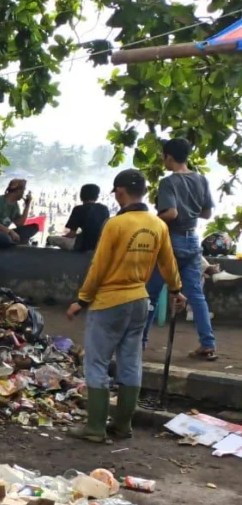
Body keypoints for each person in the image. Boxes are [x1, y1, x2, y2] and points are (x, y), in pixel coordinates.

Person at [66, 169, 184, 443]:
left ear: (120, 192)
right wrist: (177, 290)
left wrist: (82, 300)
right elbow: (168, 263)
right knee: (131, 363)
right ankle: (122, 426)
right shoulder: (158, 225)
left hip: (109, 301)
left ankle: (95, 428)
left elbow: (99, 266)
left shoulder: (115, 224)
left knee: (96, 363)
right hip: (140, 301)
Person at [140, 138, 217, 359]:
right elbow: (207, 213)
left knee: (151, 294)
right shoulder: (201, 179)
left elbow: (171, 213)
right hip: (192, 240)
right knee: (196, 295)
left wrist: (151, 220)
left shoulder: (169, 182)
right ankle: (208, 343)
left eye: (163, 157)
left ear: (168, 157)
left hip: (170, 242)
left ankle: (141, 341)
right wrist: (190, 212)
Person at [47, 184, 110, 252]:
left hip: (81, 245)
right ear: (97, 197)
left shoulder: (78, 209)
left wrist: (63, 237)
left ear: (81, 196)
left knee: (50, 239)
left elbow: (72, 234)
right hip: (99, 245)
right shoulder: (104, 208)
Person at [0, 178, 37, 248]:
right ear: (18, 190)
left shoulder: (15, 205)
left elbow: (20, 223)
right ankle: (15, 241)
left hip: (3, 232)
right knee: (5, 238)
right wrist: (10, 232)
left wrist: (27, 205)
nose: (23, 193)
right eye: (23, 190)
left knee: (34, 228)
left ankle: (14, 241)